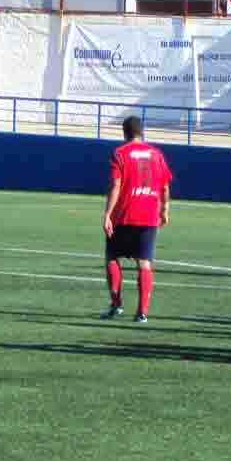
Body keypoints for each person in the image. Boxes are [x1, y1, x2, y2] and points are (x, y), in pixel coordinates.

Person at [101, 116, 173, 322]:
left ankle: (116, 305)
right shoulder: (157, 155)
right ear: (142, 132)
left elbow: (116, 185)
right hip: (149, 215)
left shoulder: (119, 154)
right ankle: (142, 312)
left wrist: (107, 214)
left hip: (123, 215)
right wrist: (165, 209)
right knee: (144, 263)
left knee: (112, 258)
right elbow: (165, 186)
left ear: (124, 133)